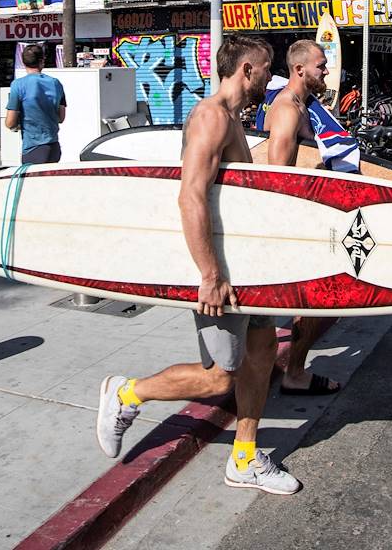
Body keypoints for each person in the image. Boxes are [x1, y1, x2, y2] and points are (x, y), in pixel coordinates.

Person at [95, 34, 301, 495]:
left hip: (246, 269)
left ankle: (244, 457)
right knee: (219, 376)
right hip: (219, 272)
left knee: (263, 351)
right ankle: (127, 394)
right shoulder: (211, 117)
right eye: (267, 69)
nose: (271, 78)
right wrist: (210, 275)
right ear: (247, 69)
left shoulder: (232, 121)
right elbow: (190, 194)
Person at [260, 40, 342, 399]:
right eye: (320, 66)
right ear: (299, 70)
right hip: (291, 217)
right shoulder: (288, 109)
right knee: (312, 300)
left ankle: (294, 369)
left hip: (304, 213)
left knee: (314, 302)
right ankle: (292, 372)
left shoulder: (304, 104)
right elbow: (278, 172)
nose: (325, 71)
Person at [4, 44, 66, 163]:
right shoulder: (56, 83)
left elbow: (10, 122)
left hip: (33, 147)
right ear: (42, 61)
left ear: (23, 62)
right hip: (54, 147)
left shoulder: (18, 85)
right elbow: (61, 117)